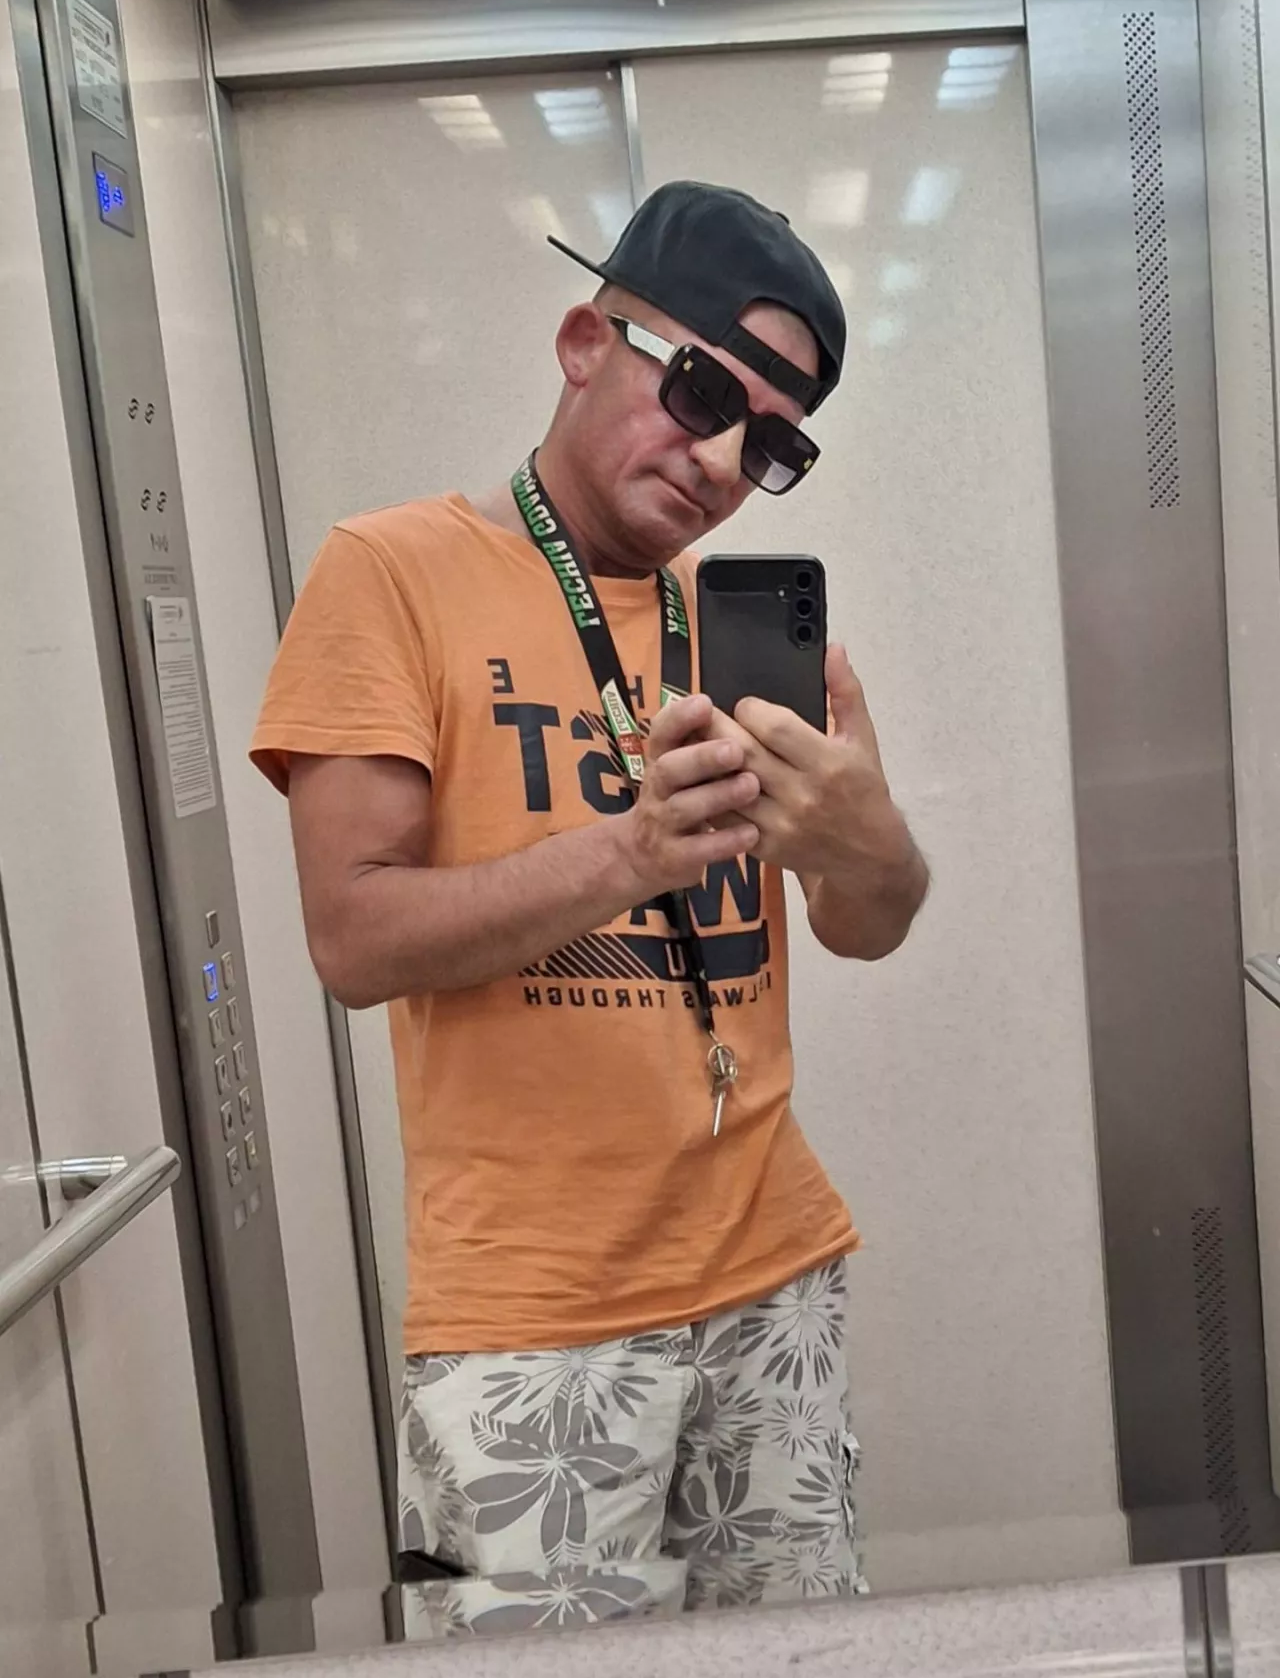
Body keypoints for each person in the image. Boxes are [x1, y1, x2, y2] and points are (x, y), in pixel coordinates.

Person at [251, 180, 929, 1637]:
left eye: (770, 441)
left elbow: (864, 922)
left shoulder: (735, 627)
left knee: (808, 1659)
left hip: (773, 1271)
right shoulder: (391, 573)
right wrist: (628, 854)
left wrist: (877, 843)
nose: (721, 459)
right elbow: (353, 939)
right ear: (582, 342)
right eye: (701, 392)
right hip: (532, 1313)